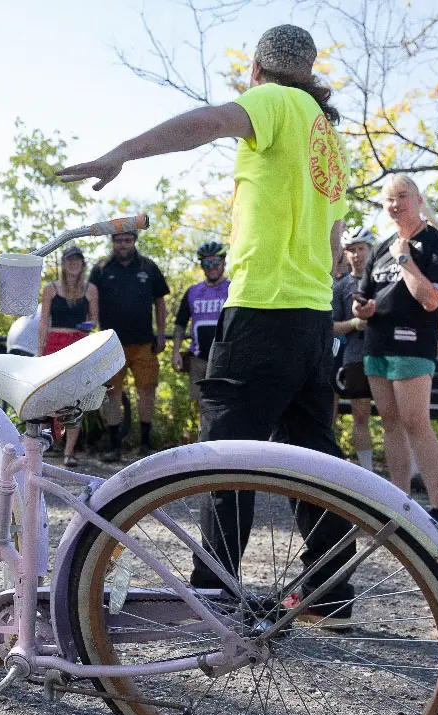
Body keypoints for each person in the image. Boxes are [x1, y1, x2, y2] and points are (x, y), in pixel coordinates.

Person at [59, 23, 358, 626]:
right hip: (311, 317)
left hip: (262, 311)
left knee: (226, 457)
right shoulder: (328, 136)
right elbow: (331, 248)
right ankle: (332, 591)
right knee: (315, 460)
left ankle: (213, 593)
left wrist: (121, 153)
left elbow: (205, 124)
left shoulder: (275, 103)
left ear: (256, 70)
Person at [352, 176, 438, 530]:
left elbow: (430, 300)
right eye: (388, 200)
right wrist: (361, 309)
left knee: (415, 423)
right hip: (376, 346)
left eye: (401, 197)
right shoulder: (382, 247)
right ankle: (400, 505)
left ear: (419, 199)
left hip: (413, 346)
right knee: (391, 424)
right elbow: (363, 298)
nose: (395, 205)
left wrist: (406, 259)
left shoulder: (437, 244)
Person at [89, 229, 169, 461]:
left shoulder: (148, 267)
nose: (123, 245)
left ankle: (145, 444)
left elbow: (160, 301)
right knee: (113, 394)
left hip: (145, 343)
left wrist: (162, 332)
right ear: (112, 243)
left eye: (127, 240)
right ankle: (114, 445)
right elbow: (89, 299)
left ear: (134, 241)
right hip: (111, 344)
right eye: (119, 241)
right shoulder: (101, 269)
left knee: (147, 392)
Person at [37, 245, 99, 467]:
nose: (73, 263)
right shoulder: (51, 289)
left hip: (79, 344)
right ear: (63, 263)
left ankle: (69, 452)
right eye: (69, 260)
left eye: (77, 260)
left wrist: (87, 325)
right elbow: (44, 322)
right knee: (47, 397)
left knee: (75, 400)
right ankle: (44, 447)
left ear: (83, 264)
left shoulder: (90, 289)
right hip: (54, 343)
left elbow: (94, 320)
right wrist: (39, 351)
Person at [172, 242, 230, 424]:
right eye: (206, 263)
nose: (211, 267)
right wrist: (176, 354)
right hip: (199, 359)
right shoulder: (193, 292)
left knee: (227, 405)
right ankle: (205, 445)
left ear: (224, 262)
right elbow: (180, 325)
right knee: (202, 407)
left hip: (227, 359)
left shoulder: (234, 289)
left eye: (215, 262)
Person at [332, 226, 375, 471]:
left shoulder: (383, 280)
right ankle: (367, 471)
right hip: (354, 357)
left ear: (370, 250)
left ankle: (410, 471)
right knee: (360, 416)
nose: (357, 255)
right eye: (351, 250)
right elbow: (330, 327)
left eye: (361, 249)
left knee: (398, 416)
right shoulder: (340, 287)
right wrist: (353, 324)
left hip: (385, 354)